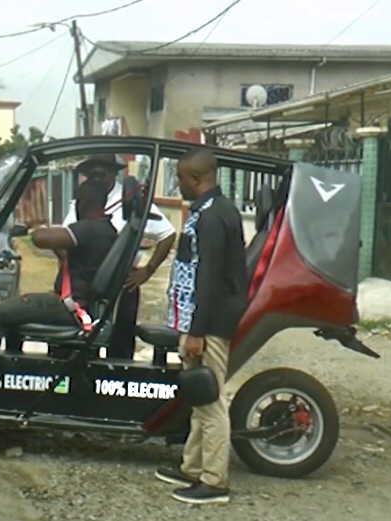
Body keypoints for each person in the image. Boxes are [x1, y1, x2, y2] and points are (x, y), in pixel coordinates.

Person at [0, 179, 117, 413]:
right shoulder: (107, 231)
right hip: (79, 305)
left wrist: (35, 225)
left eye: (77, 201)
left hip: (68, 307)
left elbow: (40, 239)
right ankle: (7, 380)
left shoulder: (89, 228)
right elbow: (69, 253)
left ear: (85, 203)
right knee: (14, 310)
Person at [154, 146, 248, 505]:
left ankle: (214, 481)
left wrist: (196, 331)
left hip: (207, 323)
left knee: (210, 400)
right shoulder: (209, 211)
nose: (177, 184)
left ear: (196, 178)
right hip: (198, 320)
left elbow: (208, 279)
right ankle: (192, 467)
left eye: (179, 178)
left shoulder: (212, 217)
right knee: (198, 397)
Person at [61, 154, 176, 360]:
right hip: (87, 283)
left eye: (100, 173)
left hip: (122, 281)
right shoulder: (83, 199)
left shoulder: (130, 199)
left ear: (113, 174)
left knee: (120, 343)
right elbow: (65, 236)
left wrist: (148, 271)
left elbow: (167, 234)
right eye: (90, 174)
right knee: (82, 341)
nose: (95, 179)